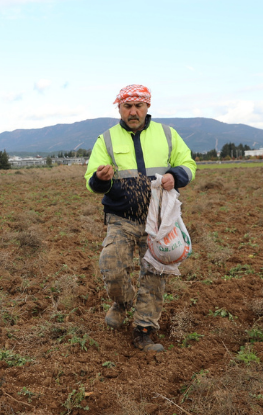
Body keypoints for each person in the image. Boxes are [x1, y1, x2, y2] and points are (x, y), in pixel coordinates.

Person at [84, 85, 196, 352]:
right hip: (121, 217)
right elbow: (91, 181)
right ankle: (123, 303)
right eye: (127, 107)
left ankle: (144, 330)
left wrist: (175, 176)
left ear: (147, 107)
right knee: (110, 264)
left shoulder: (167, 134)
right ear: (119, 109)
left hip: (158, 219)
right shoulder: (106, 139)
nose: (133, 112)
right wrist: (100, 178)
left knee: (155, 274)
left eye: (138, 106)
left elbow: (189, 164)